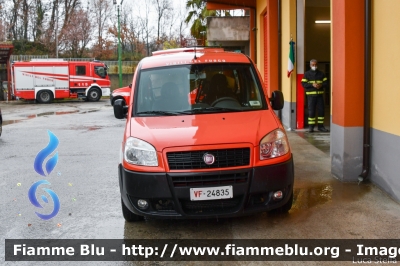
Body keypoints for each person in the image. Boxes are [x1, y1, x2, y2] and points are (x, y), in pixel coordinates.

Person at [301, 59, 329, 132]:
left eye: (315, 65)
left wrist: (321, 85)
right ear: (310, 65)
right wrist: (312, 85)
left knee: (321, 111)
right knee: (311, 112)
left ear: (317, 65)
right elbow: (303, 84)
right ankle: (311, 127)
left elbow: (326, 83)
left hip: (320, 96)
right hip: (311, 97)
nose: (314, 66)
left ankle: (321, 127)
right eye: (313, 65)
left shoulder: (321, 74)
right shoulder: (307, 74)